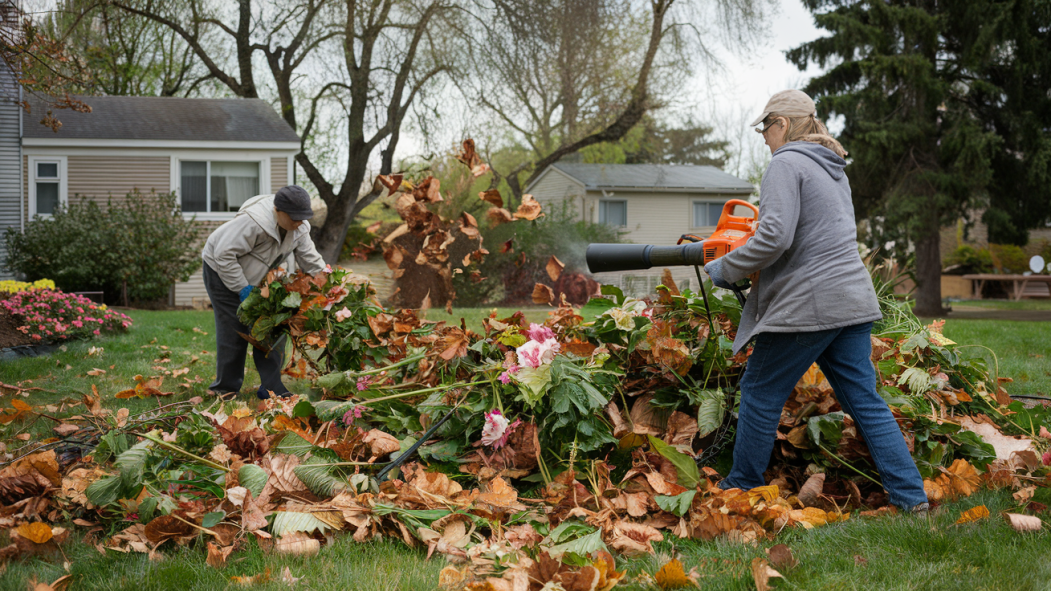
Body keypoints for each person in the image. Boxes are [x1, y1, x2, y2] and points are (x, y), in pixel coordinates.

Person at [703, 90, 928, 512]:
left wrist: (725, 268)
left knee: (758, 391)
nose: (764, 137)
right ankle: (912, 498)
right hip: (852, 301)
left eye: (764, 127)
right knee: (865, 402)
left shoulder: (786, 162)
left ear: (782, 124)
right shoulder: (832, 167)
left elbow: (774, 237)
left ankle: (741, 486)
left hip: (812, 306)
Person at [201, 185, 326, 399]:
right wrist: (242, 288)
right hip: (220, 270)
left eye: (303, 218)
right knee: (234, 328)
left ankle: (271, 388)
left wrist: (328, 282)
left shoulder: (300, 227)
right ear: (278, 211)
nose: (299, 222)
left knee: (273, 327)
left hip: (259, 278)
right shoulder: (253, 222)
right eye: (294, 217)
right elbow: (223, 255)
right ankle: (225, 388)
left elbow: (310, 260)